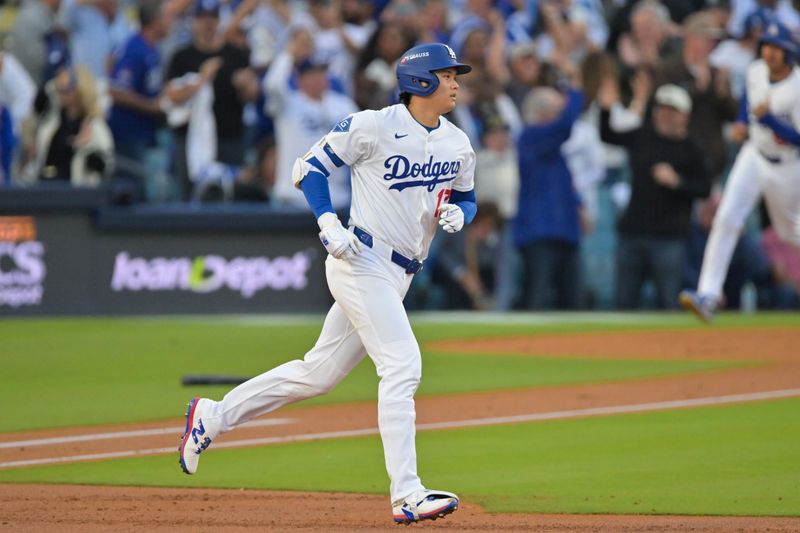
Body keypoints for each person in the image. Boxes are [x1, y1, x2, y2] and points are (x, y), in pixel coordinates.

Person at [178, 43, 477, 525]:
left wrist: (461, 213)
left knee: (317, 374)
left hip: (401, 273)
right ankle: (407, 493)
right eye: (446, 75)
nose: (456, 83)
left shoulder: (457, 142)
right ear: (420, 81)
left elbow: (467, 195)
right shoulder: (373, 125)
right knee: (402, 365)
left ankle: (213, 416)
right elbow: (309, 168)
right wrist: (328, 222)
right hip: (361, 260)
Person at [680, 22, 800, 321]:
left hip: (787, 166)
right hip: (754, 155)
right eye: (767, 46)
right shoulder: (756, 70)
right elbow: (749, 98)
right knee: (726, 217)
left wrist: (769, 121)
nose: (770, 53)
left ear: (789, 52)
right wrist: (741, 121)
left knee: (790, 233)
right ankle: (708, 295)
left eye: (777, 48)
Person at [599, 83, 711, 309]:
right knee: (624, 302)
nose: (664, 116)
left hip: (669, 237)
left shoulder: (692, 149)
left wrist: (677, 182)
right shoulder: (643, 136)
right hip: (633, 231)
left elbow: (704, 189)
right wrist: (606, 109)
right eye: (661, 110)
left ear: (685, 116)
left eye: (672, 111)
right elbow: (608, 135)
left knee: (668, 302)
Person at [515, 79, 584, 310]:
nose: (560, 116)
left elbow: (562, 184)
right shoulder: (531, 136)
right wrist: (576, 90)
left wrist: (579, 205)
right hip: (540, 232)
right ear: (543, 114)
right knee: (539, 299)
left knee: (572, 300)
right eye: (557, 111)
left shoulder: (553, 151)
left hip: (563, 230)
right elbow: (566, 126)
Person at [107, 0, 170, 201]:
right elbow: (116, 91)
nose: (169, 22)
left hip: (143, 132)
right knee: (134, 195)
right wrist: (151, 106)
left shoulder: (151, 49)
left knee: (145, 192)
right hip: (129, 134)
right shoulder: (135, 49)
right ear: (155, 22)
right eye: (165, 18)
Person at [21, 66, 114, 186]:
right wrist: (57, 82)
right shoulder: (52, 117)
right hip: (44, 185)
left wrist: (84, 147)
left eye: (67, 90)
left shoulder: (94, 125)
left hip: (73, 191)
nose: (61, 94)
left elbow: (105, 168)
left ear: (80, 91)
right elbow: (39, 101)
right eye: (59, 90)